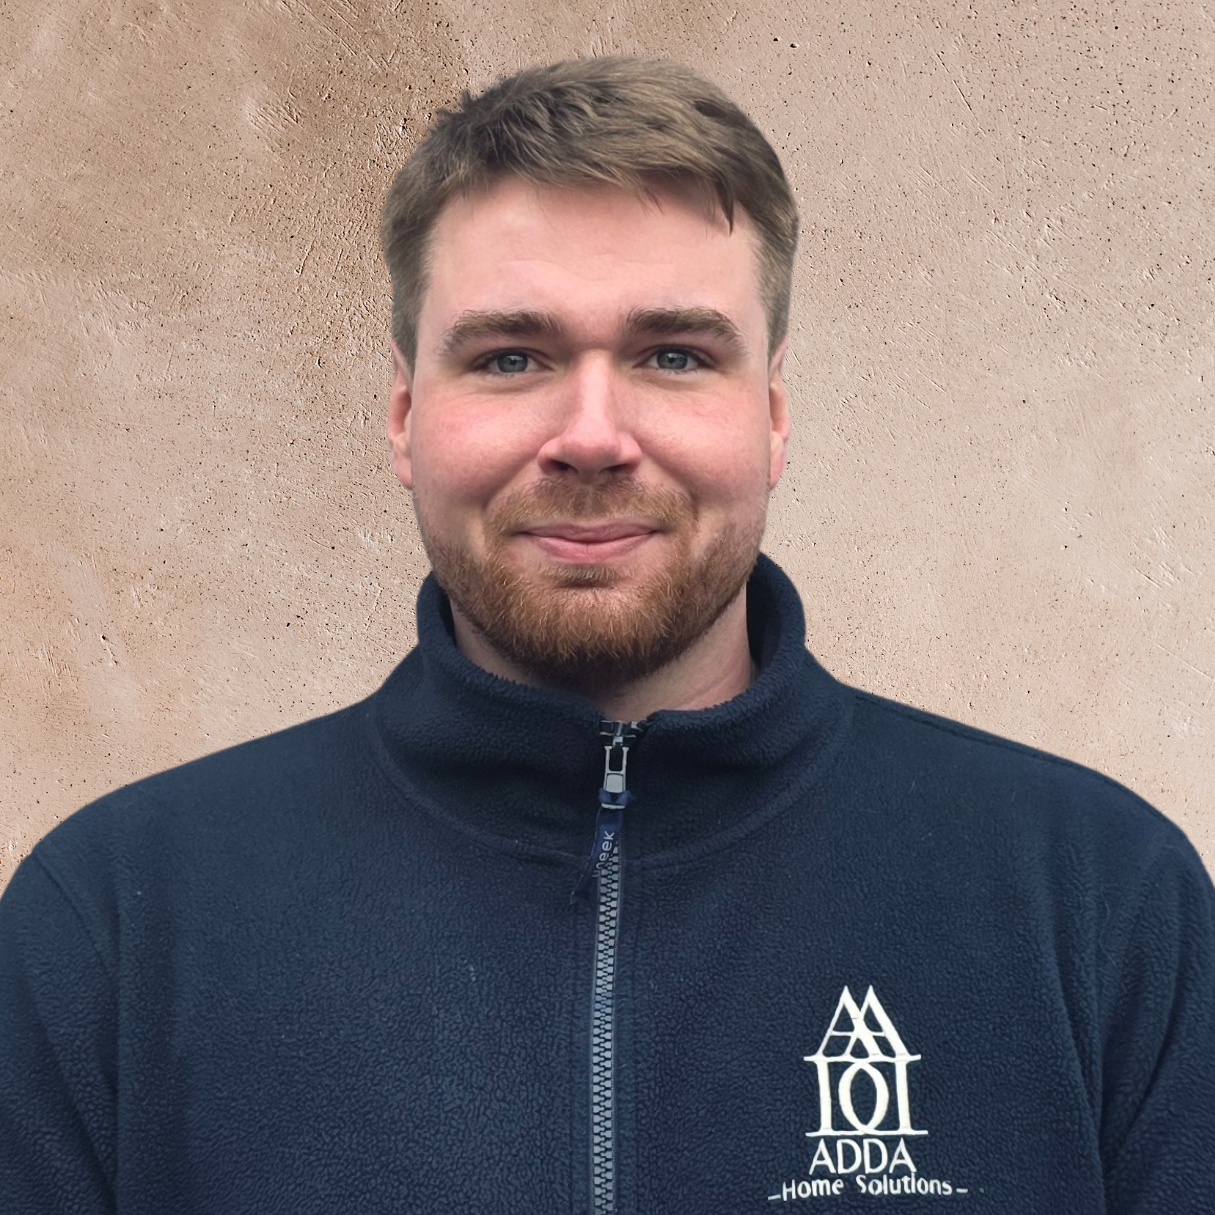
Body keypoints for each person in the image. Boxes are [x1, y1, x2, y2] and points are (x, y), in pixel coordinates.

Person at [1, 58, 1212, 1215]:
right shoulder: (112, 926)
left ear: (773, 416)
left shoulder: (1098, 902)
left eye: (673, 355)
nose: (592, 434)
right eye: (512, 356)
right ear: (406, 414)